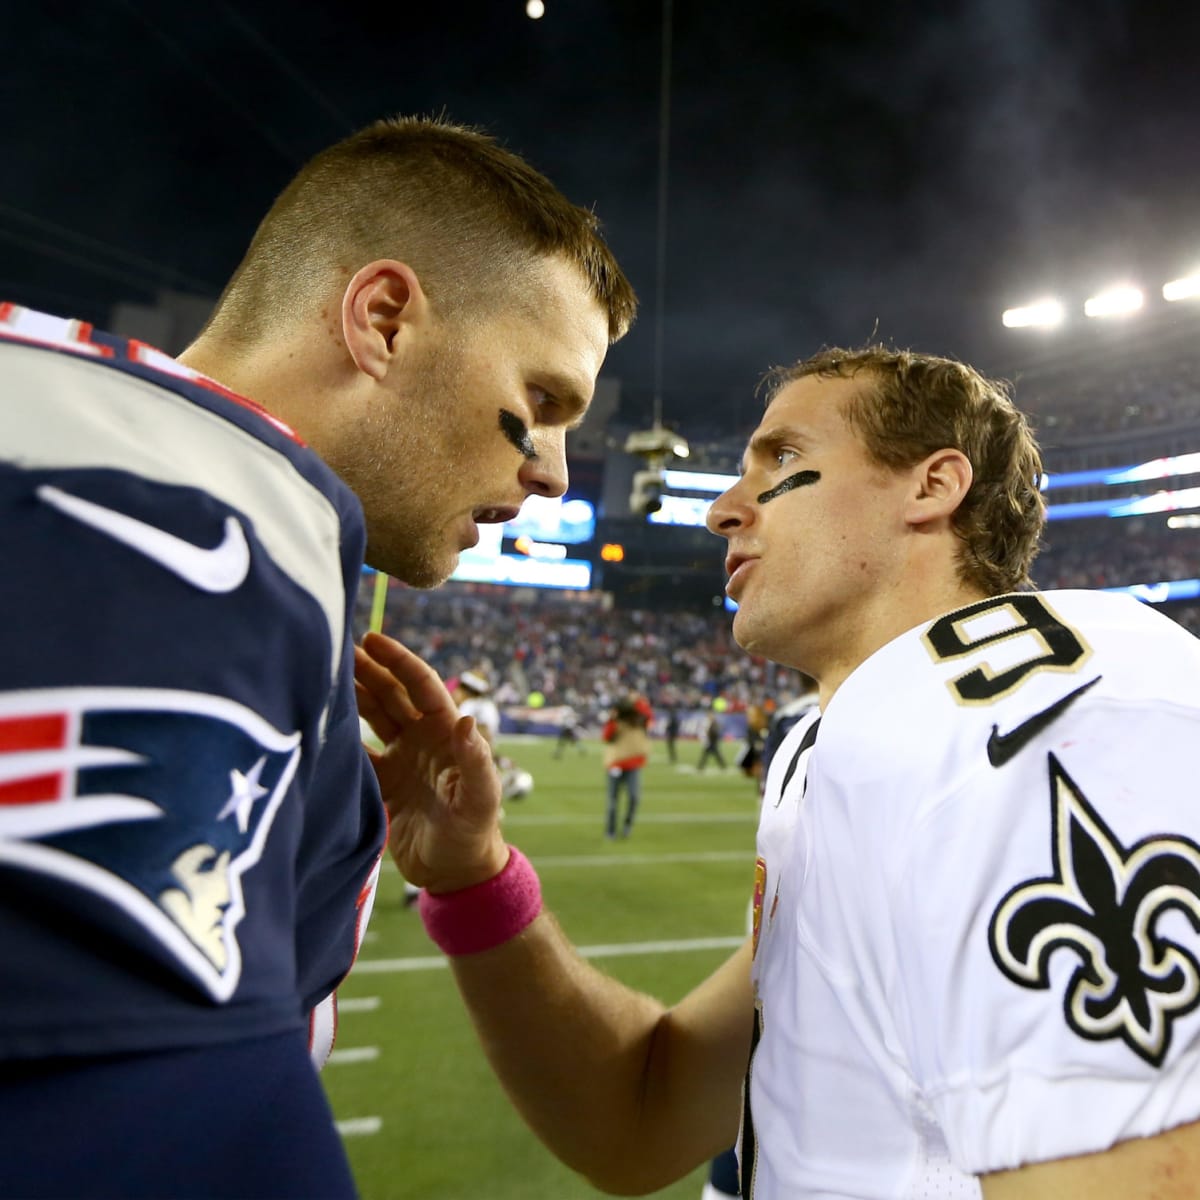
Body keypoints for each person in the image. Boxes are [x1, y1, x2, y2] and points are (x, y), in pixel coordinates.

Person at [355, 342, 1200, 1199]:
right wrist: (473, 877)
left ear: (932, 485)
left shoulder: (1044, 721)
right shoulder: (844, 742)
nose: (723, 510)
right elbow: (641, 1121)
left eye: (784, 459)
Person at [0, 114, 635, 1198]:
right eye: (541, 401)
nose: (555, 477)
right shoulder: (182, 515)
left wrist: (327, 821)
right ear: (384, 319)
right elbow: (135, 1133)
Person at [601, 695, 651, 839]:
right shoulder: (616, 723)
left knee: (634, 797)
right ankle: (610, 830)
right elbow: (606, 737)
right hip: (615, 764)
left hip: (633, 765)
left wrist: (636, 700)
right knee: (612, 801)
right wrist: (613, 718)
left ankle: (627, 825)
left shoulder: (640, 721)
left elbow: (647, 714)